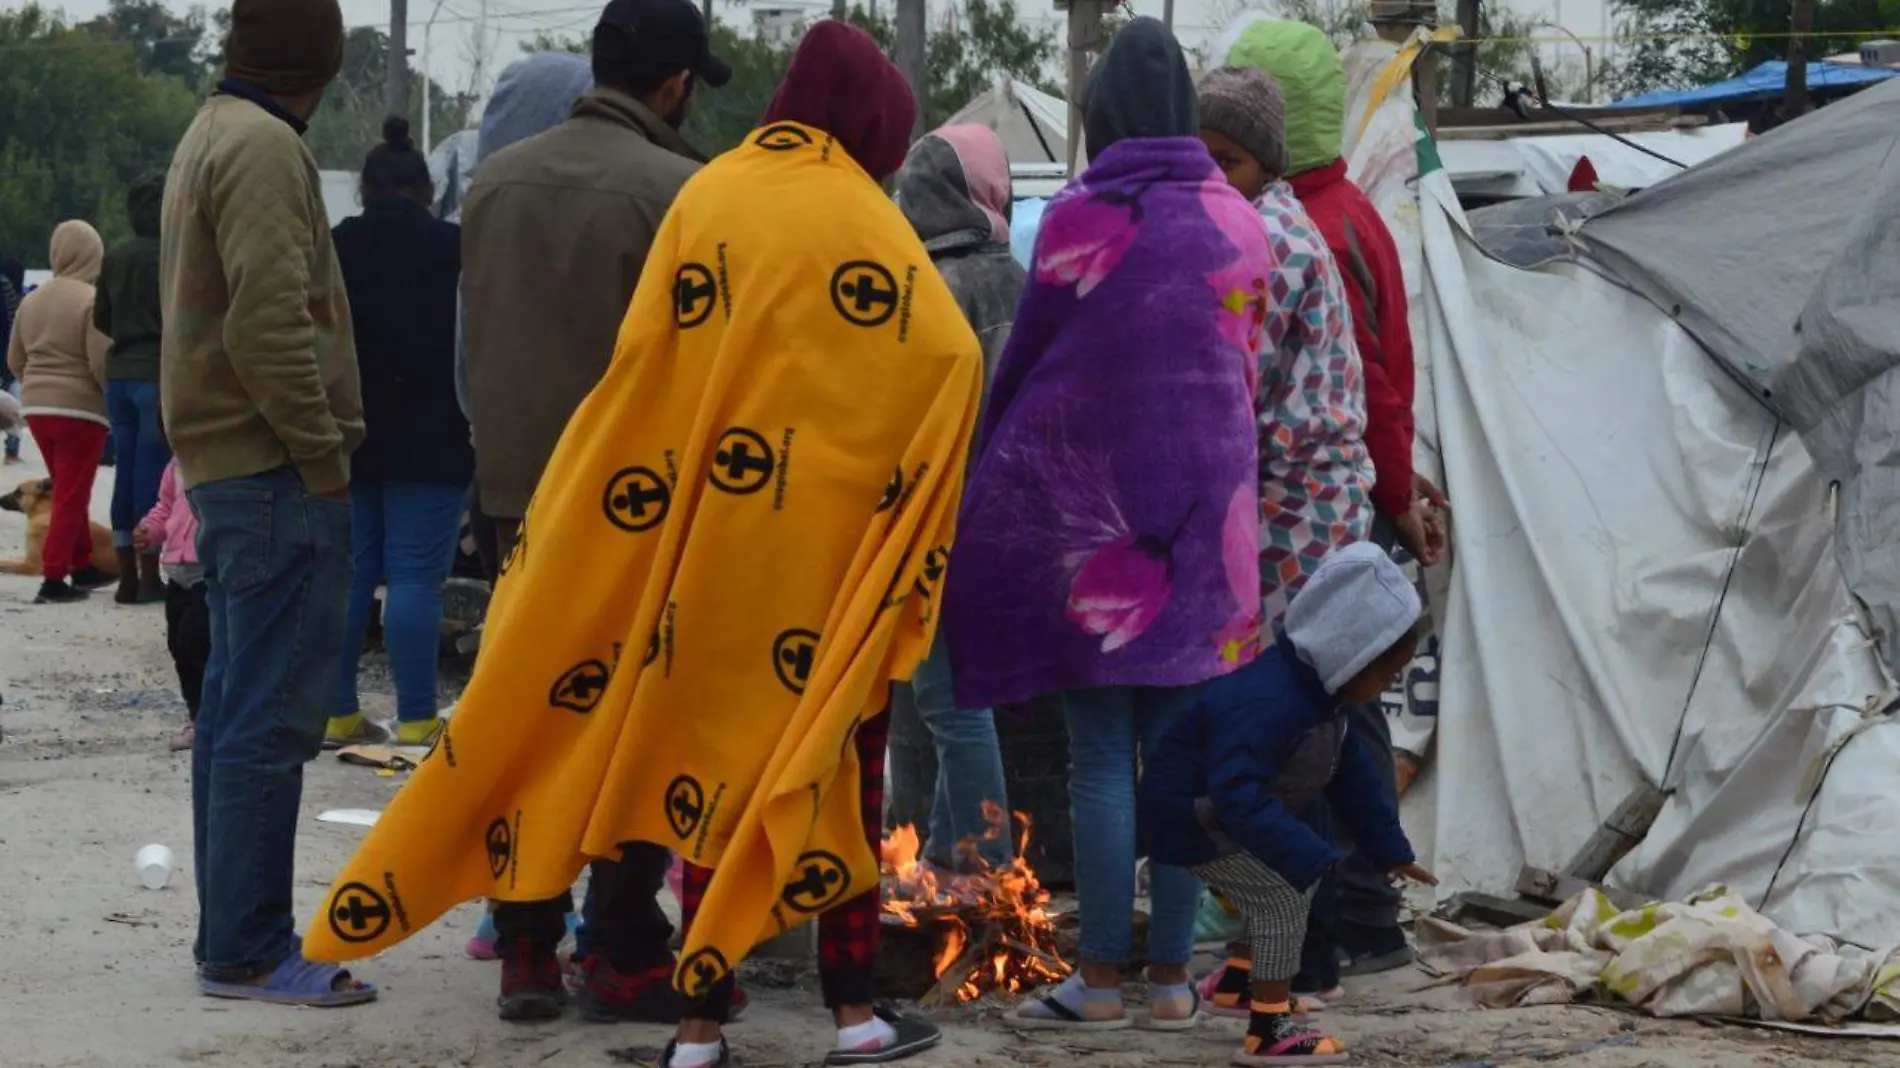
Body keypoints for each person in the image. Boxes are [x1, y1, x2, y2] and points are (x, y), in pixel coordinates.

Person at [942, 18, 1276, 1032]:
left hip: (1098, 536)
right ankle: (1171, 986)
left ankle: (1096, 981)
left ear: (1101, 118)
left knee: (1098, 760)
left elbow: (1030, 365)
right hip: (1210, 527)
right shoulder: (1241, 220)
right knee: (1181, 769)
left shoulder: (1081, 214)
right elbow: (1244, 366)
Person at [459, 0, 732, 1024]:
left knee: (524, 721)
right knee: (633, 732)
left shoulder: (492, 184)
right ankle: (622, 946)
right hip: (638, 512)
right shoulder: (683, 193)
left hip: (513, 498)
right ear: (672, 86)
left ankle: (525, 944)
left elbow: (467, 355)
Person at [1225, 17, 1446, 987]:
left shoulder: (1290, 227)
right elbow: (1390, 372)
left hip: (1313, 516)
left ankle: (1342, 923)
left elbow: (1370, 386)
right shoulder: (1350, 209)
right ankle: (1359, 915)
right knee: (1342, 706)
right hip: (1347, 501)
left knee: (1316, 722)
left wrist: (1396, 496)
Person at [158, 0, 371, 1007]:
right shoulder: (263, 149)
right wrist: (323, 456)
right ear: (321, 66)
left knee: (237, 711)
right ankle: (248, 948)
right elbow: (269, 322)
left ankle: (229, 940)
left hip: (234, 467)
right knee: (270, 720)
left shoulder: (211, 132)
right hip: (275, 472)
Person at [1190, 66, 1380, 1017]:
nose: (1215, 175)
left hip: (1291, 526)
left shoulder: (1266, 236)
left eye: (1229, 159)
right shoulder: (1287, 225)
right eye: (1206, 157)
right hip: (1311, 515)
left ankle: (1295, 963)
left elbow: (1233, 385)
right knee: (1302, 739)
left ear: (1265, 162)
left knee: (1279, 749)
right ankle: (1285, 955)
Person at [1140, 542, 1437, 1066]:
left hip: (1229, 818)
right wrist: (1303, 854)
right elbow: (1234, 793)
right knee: (1282, 896)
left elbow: (1355, 781)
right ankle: (1268, 1028)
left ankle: (1237, 982)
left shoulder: (1328, 701)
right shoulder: (1270, 701)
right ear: (1353, 651)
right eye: (1387, 672)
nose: (1391, 682)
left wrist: (1389, 849)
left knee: (1279, 885)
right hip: (1191, 819)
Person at [892, 123, 1027, 873]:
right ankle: (950, 856)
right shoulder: (1013, 277)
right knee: (965, 699)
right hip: (1007, 526)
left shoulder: (926, 285)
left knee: (949, 704)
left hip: (941, 523)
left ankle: (986, 868)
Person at [323, 117, 472, 750]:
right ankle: (416, 718)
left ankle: (335, 713)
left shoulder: (336, 244)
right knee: (414, 578)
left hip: (350, 432)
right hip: (434, 434)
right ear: (428, 187)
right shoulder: (455, 246)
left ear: (363, 188)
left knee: (351, 577)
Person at [453, 50, 594, 584]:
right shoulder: (612, 201)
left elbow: (465, 364)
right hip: (598, 469)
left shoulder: (485, 208)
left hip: (502, 469)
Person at [6, 220, 113, 604]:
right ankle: (54, 581)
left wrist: (36, 387)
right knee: (70, 495)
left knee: (68, 488)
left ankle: (83, 564)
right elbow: (100, 361)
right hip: (80, 410)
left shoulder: (32, 300)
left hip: (37, 408)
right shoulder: (92, 300)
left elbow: (15, 359)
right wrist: (105, 397)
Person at [95, 171, 172, 604]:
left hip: (119, 375)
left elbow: (99, 317)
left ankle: (125, 578)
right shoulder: (171, 255)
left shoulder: (115, 256)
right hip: (156, 375)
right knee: (153, 476)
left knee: (124, 473)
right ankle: (149, 577)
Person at [136, 452, 207, 754]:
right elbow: (166, 506)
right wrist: (150, 529)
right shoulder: (177, 463)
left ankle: (209, 720)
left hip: (209, 572)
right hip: (177, 573)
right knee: (179, 648)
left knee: (198, 646)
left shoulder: (226, 457)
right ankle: (197, 718)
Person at [1, 257, 23, 464]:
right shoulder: (5, 286)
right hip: (3, 356)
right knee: (12, 408)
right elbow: (12, 324)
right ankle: (11, 452)